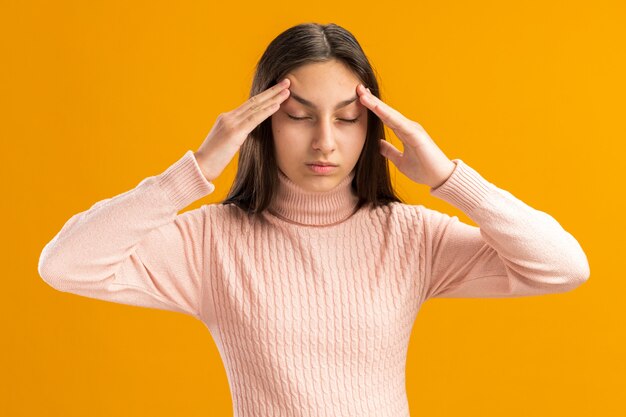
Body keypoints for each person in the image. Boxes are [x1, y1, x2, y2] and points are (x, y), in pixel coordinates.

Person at [38, 22, 590, 417]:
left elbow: (563, 267)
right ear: (262, 124)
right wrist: (194, 170)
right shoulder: (211, 241)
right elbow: (66, 265)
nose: (325, 141)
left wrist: (449, 179)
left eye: (347, 119)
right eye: (299, 116)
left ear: (370, 126)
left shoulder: (409, 236)